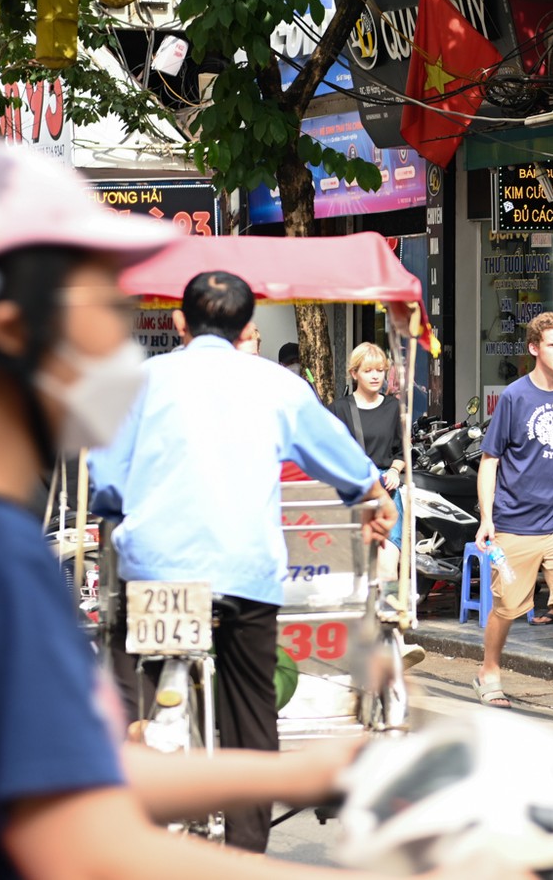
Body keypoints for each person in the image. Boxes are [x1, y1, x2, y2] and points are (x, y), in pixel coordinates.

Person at [0, 144, 411, 880]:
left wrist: (304, 772)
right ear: (11, 329)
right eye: (104, 305)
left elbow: (68, 773)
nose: (121, 343)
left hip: (152, 566)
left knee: (135, 679)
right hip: (247, 574)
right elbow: (85, 843)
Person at [90, 269, 398, 854]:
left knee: (141, 696)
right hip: (245, 578)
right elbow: (340, 457)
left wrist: (123, 510)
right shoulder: (276, 386)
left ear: (181, 323)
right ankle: (247, 852)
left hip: (158, 578)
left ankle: (141, 798)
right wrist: (371, 494)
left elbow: (106, 480)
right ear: (245, 328)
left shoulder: (140, 382)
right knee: (252, 721)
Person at [473, 312, 553, 720]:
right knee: (507, 606)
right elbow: (490, 460)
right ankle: (489, 670)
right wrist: (486, 517)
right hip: (515, 520)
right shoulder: (514, 397)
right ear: (534, 349)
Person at [335, 341, 404, 491]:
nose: (375, 376)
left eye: (380, 370)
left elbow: (402, 451)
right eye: (367, 371)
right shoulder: (339, 409)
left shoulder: (394, 407)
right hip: (352, 487)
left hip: (385, 487)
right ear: (354, 373)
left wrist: (394, 471)